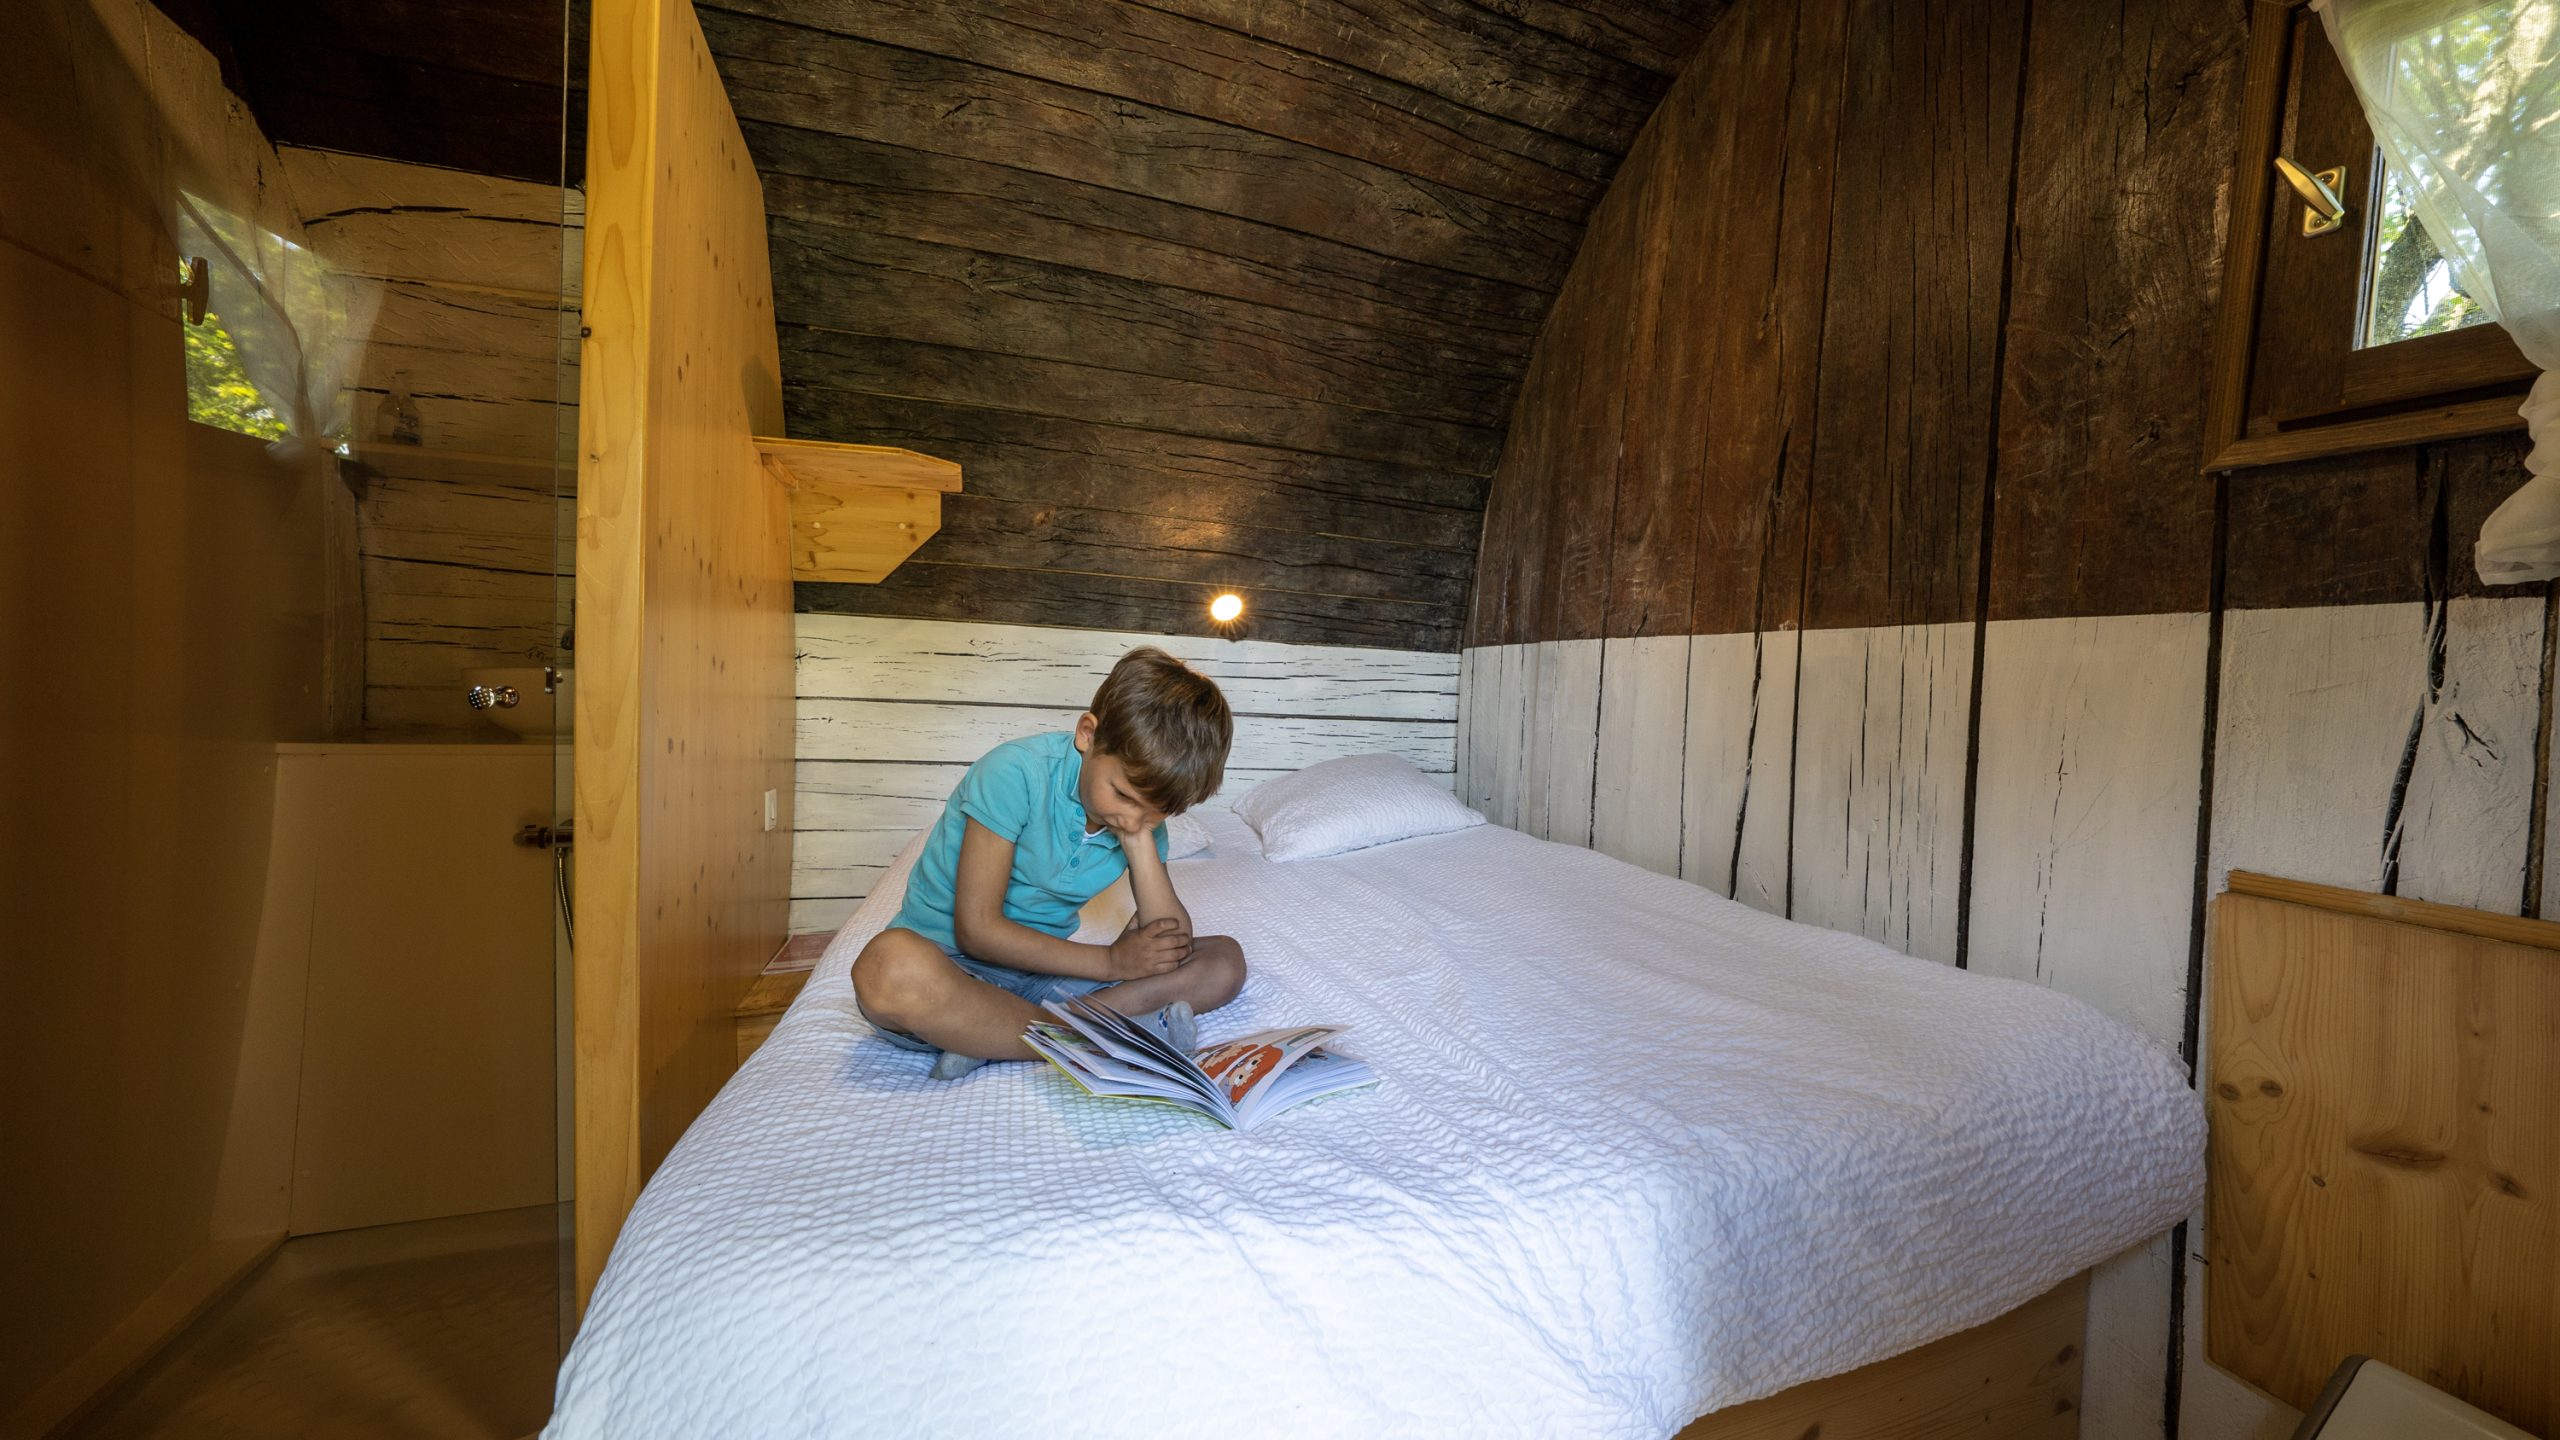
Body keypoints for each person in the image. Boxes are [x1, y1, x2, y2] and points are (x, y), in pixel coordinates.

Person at [851, 647, 1249, 1080]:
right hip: (951, 964)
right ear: (1087, 734)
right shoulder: (1014, 773)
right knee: (886, 967)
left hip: (1041, 974)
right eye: (1124, 795)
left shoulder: (1138, 823)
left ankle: (996, 1037)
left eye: (1156, 812)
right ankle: (1078, 1032)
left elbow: (1171, 943)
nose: (1135, 818)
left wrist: (1137, 840)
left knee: (1225, 962)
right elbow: (977, 930)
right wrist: (1113, 964)